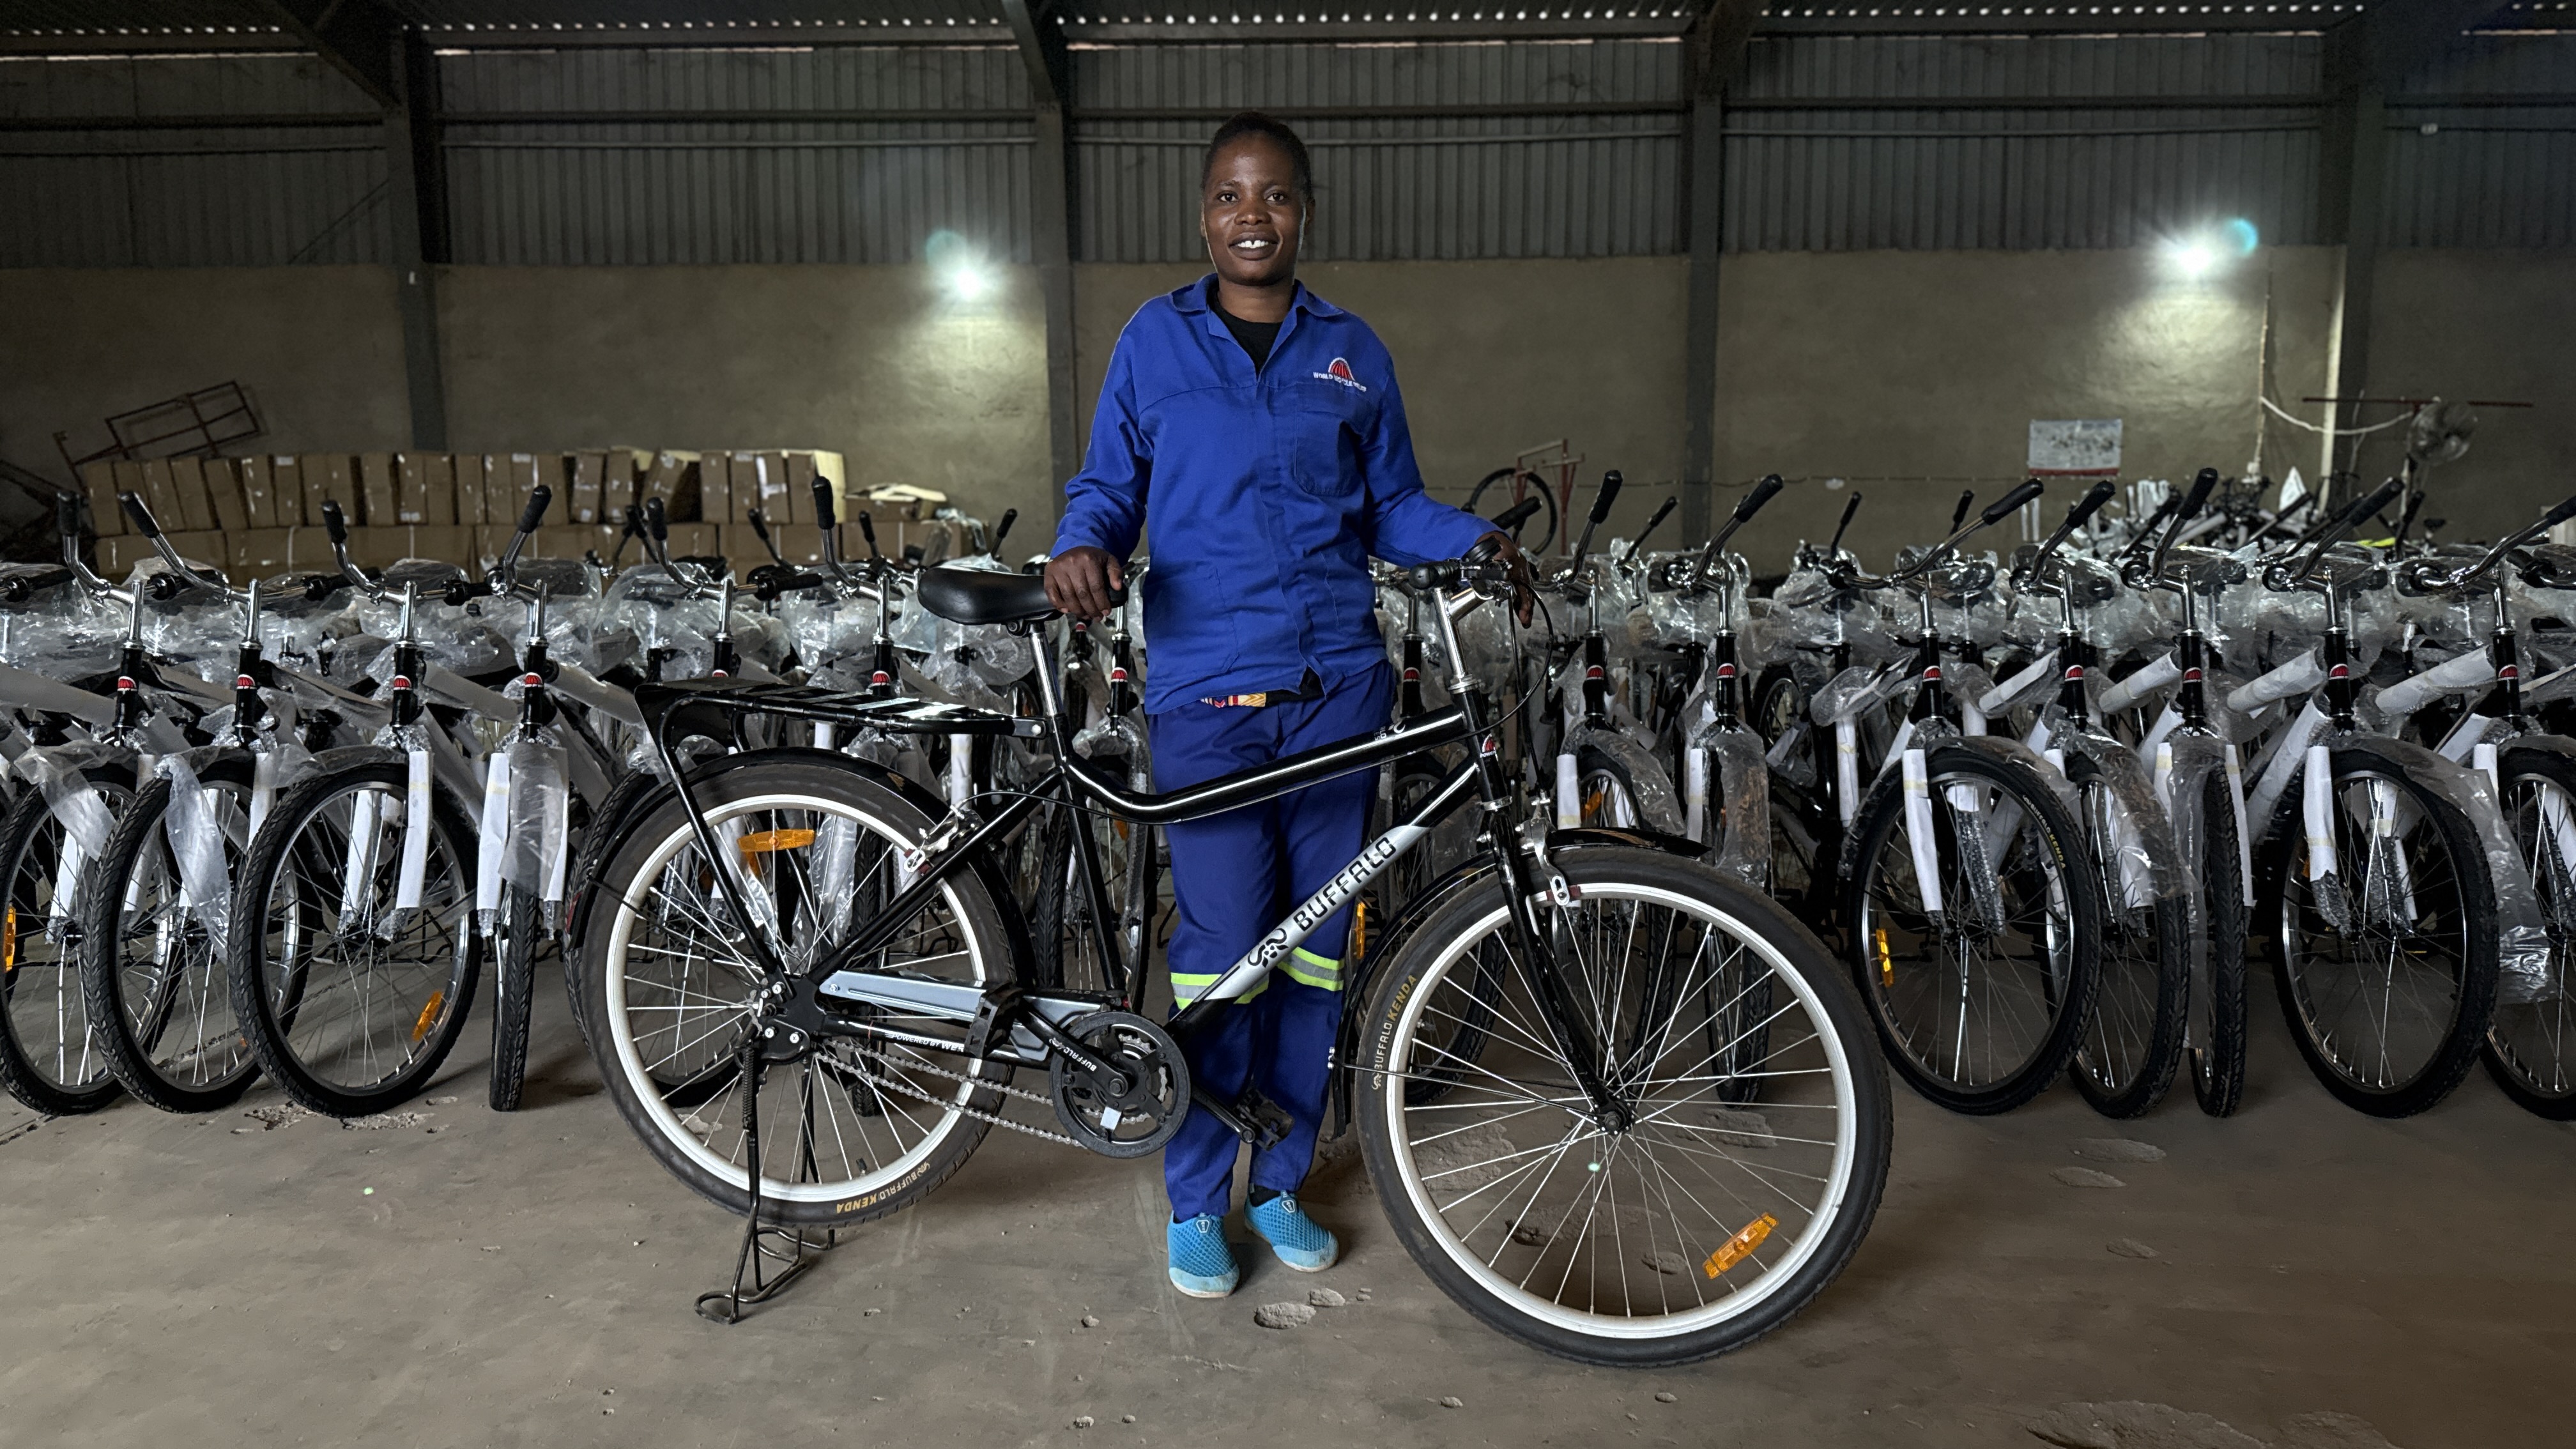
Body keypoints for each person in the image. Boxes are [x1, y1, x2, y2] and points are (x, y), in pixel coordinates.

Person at [1045, 111, 1528, 1298]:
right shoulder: (1152, 344)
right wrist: (1078, 548)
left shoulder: (1350, 352)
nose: (1249, 216)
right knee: (1221, 956)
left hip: (1337, 694)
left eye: (1271, 196)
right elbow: (1108, 486)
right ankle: (1199, 1202)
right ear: (1203, 214)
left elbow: (1393, 508)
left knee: (1316, 954)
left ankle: (1282, 1179)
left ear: (1304, 209)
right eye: (1226, 196)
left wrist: (1476, 538)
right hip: (1210, 695)